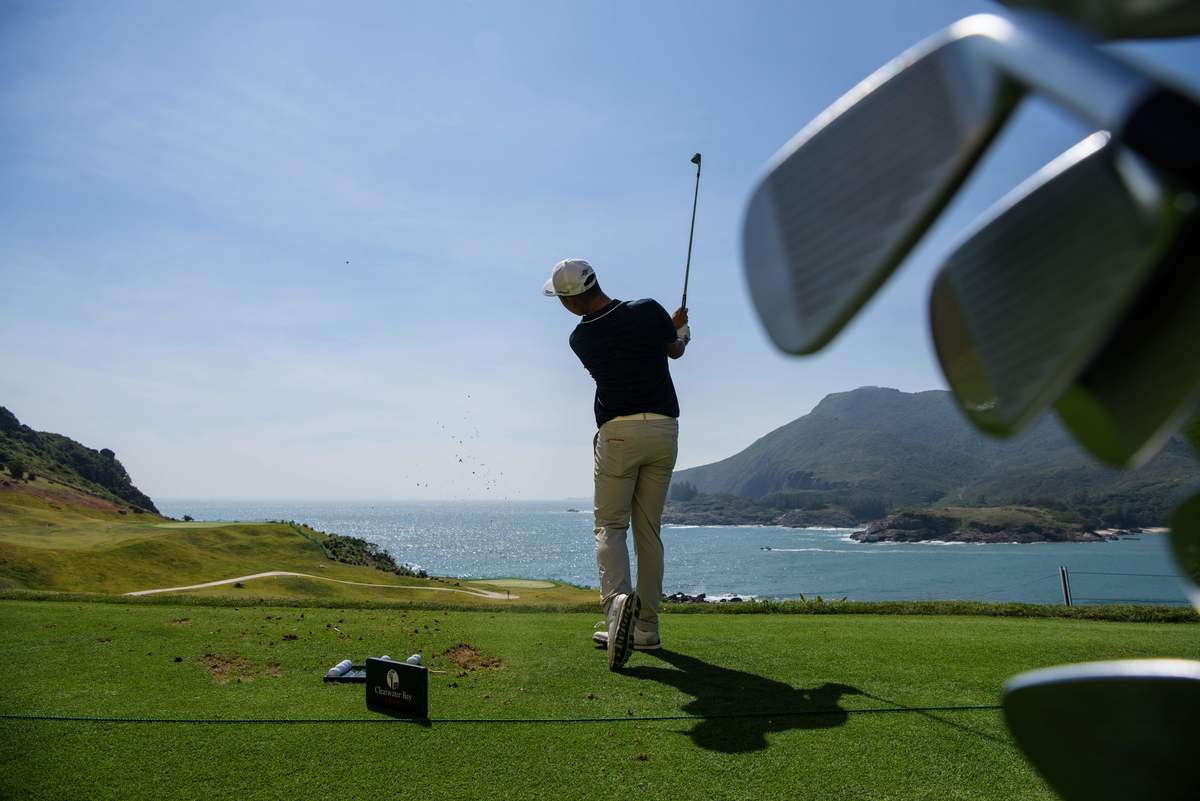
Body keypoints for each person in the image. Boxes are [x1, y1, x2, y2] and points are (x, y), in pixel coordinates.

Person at [542, 257, 690, 670]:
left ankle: (617, 610)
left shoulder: (580, 340)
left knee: (610, 526)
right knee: (648, 532)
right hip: (664, 430)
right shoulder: (648, 310)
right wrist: (679, 330)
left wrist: (671, 332)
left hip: (619, 434)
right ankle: (647, 629)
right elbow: (673, 350)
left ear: (570, 302)